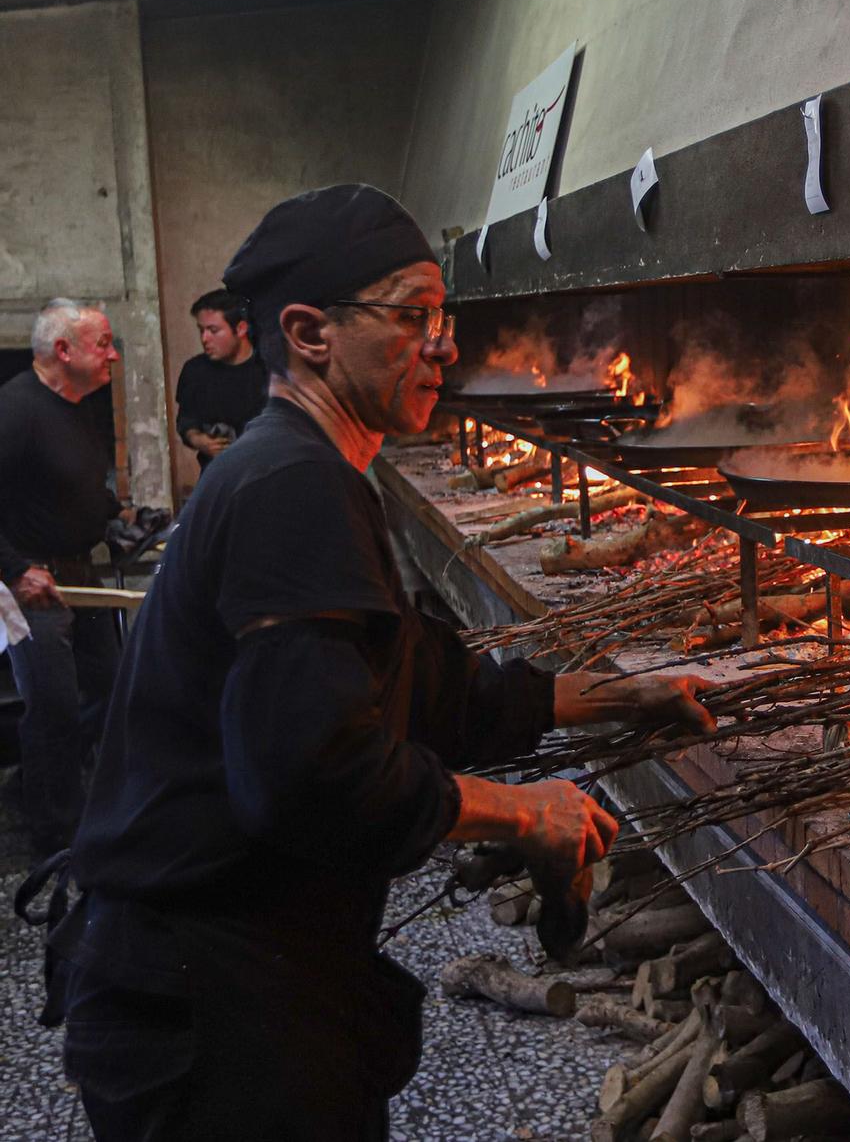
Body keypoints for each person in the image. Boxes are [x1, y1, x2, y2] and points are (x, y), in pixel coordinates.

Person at [46, 185, 714, 1140]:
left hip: (225, 968)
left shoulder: (303, 466)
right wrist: (527, 809)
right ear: (311, 332)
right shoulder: (295, 485)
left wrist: (614, 697)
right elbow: (313, 772)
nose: (443, 345)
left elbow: (413, 681)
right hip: (207, 997)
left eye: (441, 318)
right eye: (412, 317)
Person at [0, 299, 124, 861]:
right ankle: (56, 836)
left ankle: (62, 793)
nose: (114, 355)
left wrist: (111, 514)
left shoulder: (83, 404)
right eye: (103, 344)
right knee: (51, 709)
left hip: (82, 573)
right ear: (62, 351)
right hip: (35, 583)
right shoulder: (15, 410)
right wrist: (15, 570)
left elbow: (77, 480)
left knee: (113, 685)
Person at [173, 289, 268, 469]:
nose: (205, 338)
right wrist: (199, 440)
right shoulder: (195, 371)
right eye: (201, 330)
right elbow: (187, 421)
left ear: (240, 329)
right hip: (218, 474)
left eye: (213, 330)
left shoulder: (268, 371)